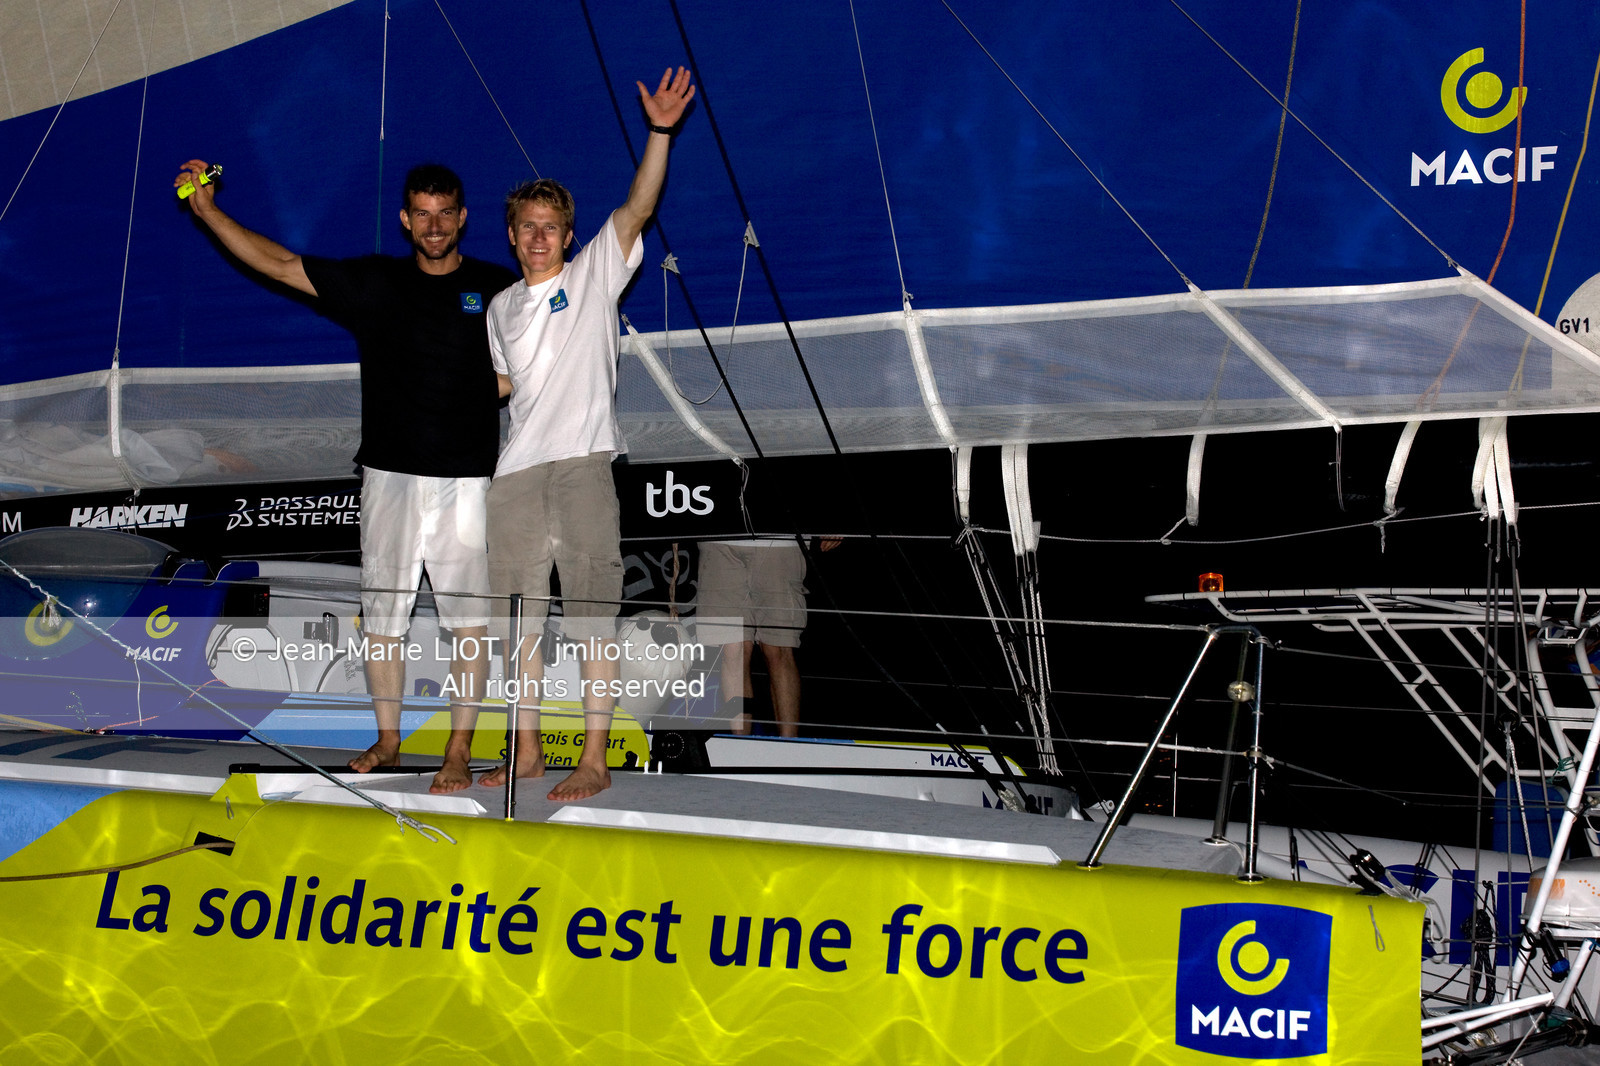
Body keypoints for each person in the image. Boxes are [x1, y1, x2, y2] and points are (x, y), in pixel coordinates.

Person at [174, 159, 515, 794]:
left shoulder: (500, 289)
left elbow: (543, 356)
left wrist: (488, 387)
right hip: (388, 476)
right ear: (405, 220)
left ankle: (459, 748)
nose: (434, 225)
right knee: (384, 613)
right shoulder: (374, 282)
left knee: (469, 620)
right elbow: (278, 264)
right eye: (423, 214)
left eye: (446, 214)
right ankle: (387, 741)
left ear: (463, 218)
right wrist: (209, 211)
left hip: (466, 481)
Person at [480, 67, 695, 801]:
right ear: (511, 236)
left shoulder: (597, 271)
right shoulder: (499, 308)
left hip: (581, 467)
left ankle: (596, 757)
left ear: (567, 236)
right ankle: (528, 751)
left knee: (592, 617)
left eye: (551, 228)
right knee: (518, 626)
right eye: (527, 227)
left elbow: (637, 208)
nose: (539, 237)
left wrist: (660, 130)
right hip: (513, 476)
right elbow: (506, 385)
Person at [696, 537, 838, 738]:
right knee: (732, 649)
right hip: (719, 539)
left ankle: (789, 748)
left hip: (779, 539)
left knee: (778, 647)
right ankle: (739, 744)